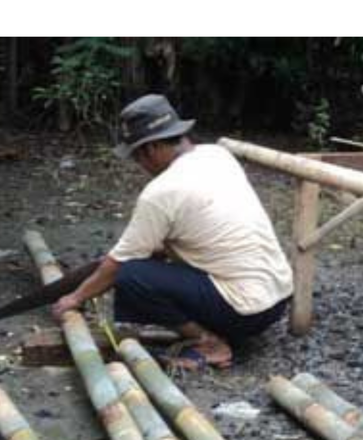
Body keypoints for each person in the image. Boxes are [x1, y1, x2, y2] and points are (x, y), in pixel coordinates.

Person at [52, 94, 293, 369]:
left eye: (138, 157)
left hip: (245, 312)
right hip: (277, 300)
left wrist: (74, 298)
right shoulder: (217, 155)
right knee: (147, 262)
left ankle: (210, 343)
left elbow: (118, 265)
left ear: (152, 148)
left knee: (132, 276)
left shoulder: (160, 192)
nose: (140, 166)